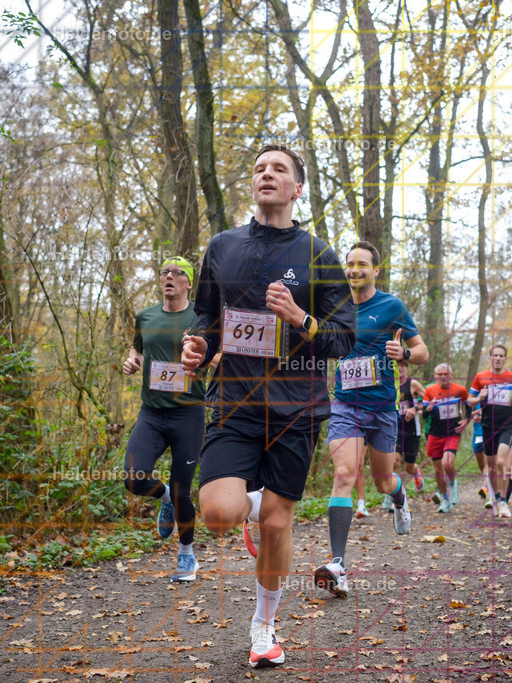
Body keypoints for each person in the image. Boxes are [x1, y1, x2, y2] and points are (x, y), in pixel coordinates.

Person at [180, 145, 354, 669]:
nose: (267, 174)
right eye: (259, 168)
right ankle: (251, 502)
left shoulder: (319, 255)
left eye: (279, 169)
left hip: (297, 409)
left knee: (279, 525)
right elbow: (207, 320)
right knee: (218, 514)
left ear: (297, 189)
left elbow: (344, 338)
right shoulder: (223, 247)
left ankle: (264, 626)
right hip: (235, 403)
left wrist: (301, 318)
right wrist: (199, 347)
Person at [314, 242, 428, 597]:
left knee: (381, 480)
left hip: (381, 408)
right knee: (344, 474)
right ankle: (338, 565)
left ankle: (399, 495)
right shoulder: (334, 307)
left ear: (375, 270)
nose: (354, 269)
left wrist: (403, 352)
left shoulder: (391, 306)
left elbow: (422, 352)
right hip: (346, 405)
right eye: (349, 263)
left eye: (362, 264)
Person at [121, 257, 206, 583]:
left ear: (188, 282)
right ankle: (163, 496)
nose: (169, 276)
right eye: (164, 272)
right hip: (152, 414)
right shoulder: (146, 316)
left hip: (188, 414)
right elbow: (137, 350)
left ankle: (186, 554)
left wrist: (204, 359)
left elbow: (218, 354)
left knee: (184, 492)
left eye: (177, 273)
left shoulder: (200, 317)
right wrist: (132, 362)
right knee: (133, 477)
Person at [468, 345, 512, 518]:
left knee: (501, 462)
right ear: (490, 358)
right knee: (492, 467)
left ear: (505, 358)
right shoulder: (480, 377)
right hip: (487, 426)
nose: (498, 358)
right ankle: (496, 496)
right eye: (495, 355)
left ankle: (503, 501)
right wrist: (480, 397)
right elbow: (469, 401)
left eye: (501, 356)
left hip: (508, 425)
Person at [421, 365, 471, 513]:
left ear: (451, 375)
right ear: (435, 376)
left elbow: (468, 406)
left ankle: (453, 484)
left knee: (447, 463)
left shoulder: (460, 390)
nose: (443, 377)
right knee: (438, 470)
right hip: (435, 434)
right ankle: (445, 499)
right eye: (440, 374)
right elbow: (424, 415)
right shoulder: (429, 390)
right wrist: (429, 408)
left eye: (446, 374)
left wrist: (466, 420)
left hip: (452, 432)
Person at [394, 360, 427, 499]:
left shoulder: (413, 384)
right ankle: (395, 495)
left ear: (407, 368)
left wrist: (415, 408)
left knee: (409, 467)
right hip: (395, 429)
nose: (400, 368)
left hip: (412, 430)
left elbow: (429, 400)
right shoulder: (391, 384)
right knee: (394, 461)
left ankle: (416, 473)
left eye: (403, 365)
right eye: (398, 365)